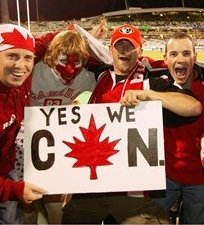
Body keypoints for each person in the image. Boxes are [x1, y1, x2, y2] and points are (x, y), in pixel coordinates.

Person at [61, 24, 202, 224]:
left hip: (130, 189)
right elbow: (65, 53)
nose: (125, 51)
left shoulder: (150, 80)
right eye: (120, 46)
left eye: (130, 46)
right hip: (93, 182)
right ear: (110, 50)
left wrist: (148, 94)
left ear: (140, 51)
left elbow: (193, 106)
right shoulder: (98, 74)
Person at [23, 22, 108, 224]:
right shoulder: (32, 71)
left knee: (55, 207)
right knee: (25, 206)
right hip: (26, 147)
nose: (70, 68)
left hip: (59, 149)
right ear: (51, 57)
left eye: (77, 62)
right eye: (63, 60)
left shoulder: (89, 79)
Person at [0, 23, 46, 224]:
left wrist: (76, 32)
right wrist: (12, 189)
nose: (21, 66)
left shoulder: (16, 77)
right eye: (12, 56)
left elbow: (42, 44)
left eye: (28, 58)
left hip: (3, 170)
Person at [148, 32, 204, 224]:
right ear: (165, 59)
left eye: (186, 53)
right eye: (173, 54)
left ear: (195, 57)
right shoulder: (158, 86)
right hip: (164, 177)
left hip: (199, 179)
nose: (180, 59)